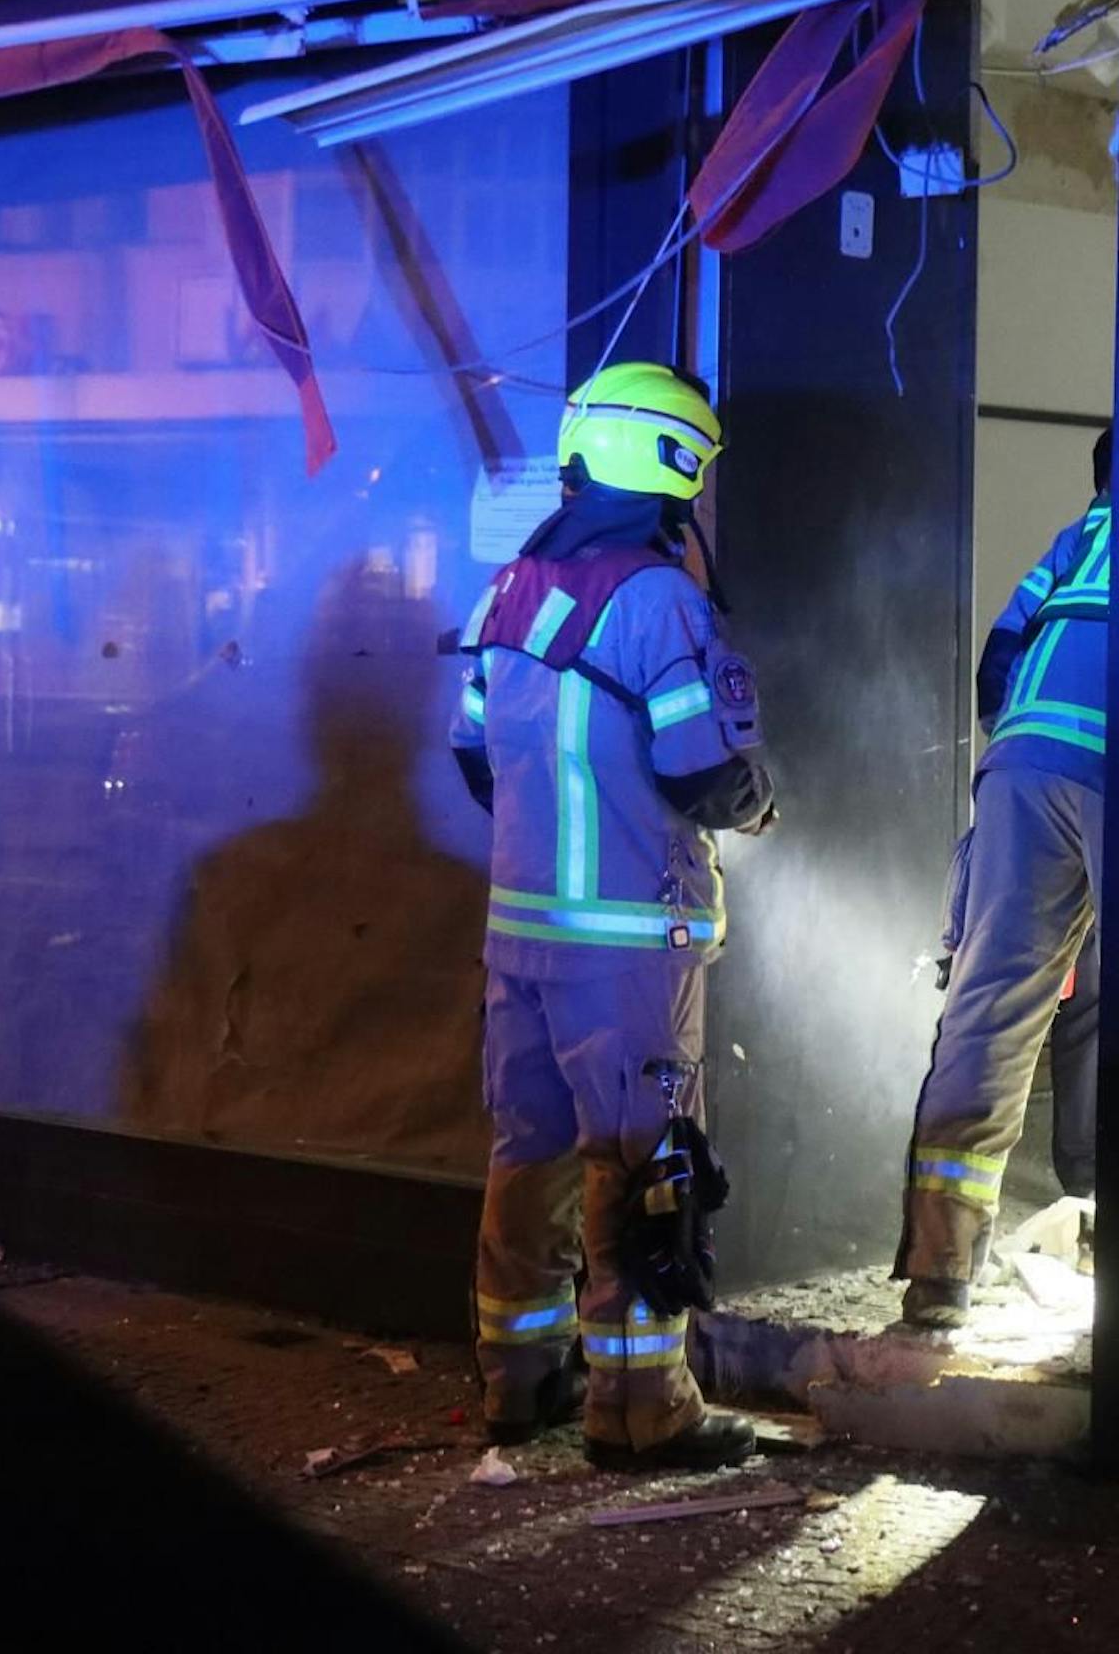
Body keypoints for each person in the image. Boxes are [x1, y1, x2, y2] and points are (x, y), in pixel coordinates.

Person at [449, 362, 775, 1468]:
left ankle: (518, 1380)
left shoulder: (505, 590)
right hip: (630, 940)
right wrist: (755, 798)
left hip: (517, 936)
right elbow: (701, 767)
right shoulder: (656, 599)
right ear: (671, 463)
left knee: (525, 1150)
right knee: (639, 1163)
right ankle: (640, 1412)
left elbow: (473, 759)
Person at [898, 428, 1110, 1326]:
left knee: (989, 1006)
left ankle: (941, 1275)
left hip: (1021, 765)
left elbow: (997, 657)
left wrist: (1020, 750)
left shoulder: (1078, 540)